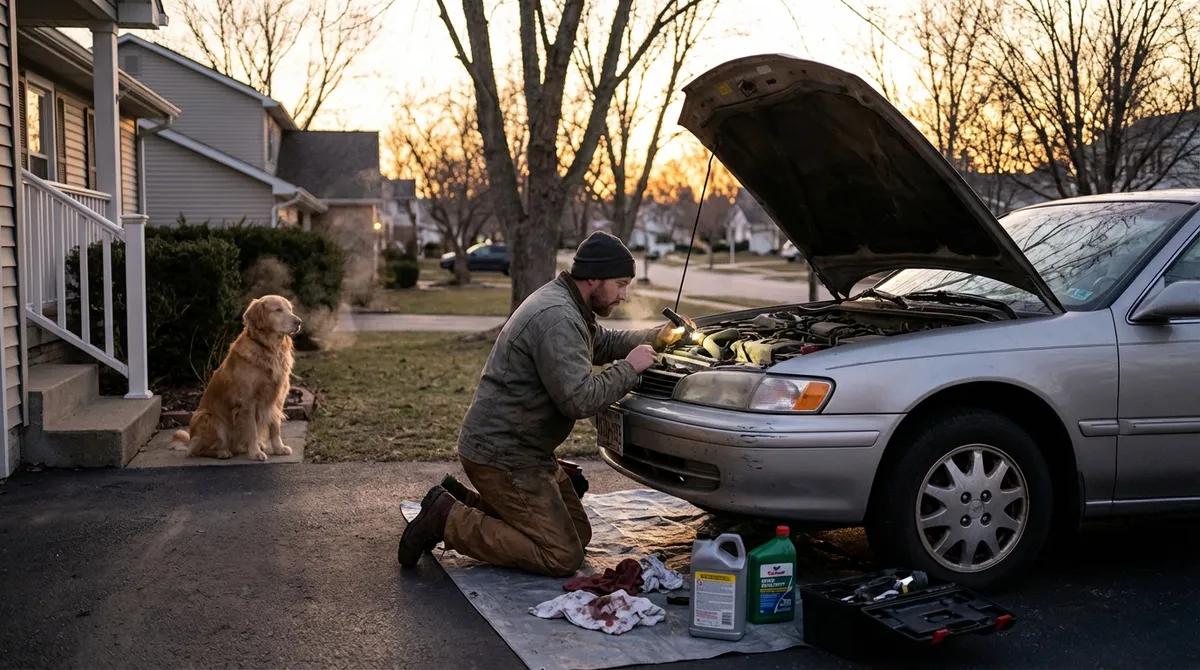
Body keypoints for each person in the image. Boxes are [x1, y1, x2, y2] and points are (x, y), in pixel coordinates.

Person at [398, 231, 692, 577]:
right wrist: (630, 369)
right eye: (621, 283)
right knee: (561, 555)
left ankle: (458, 500)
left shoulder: (569, 305)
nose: (624, 295)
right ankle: (446, 518)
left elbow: (602, 343)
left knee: (578, 535)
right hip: (504, 456)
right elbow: (579, 400)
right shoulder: (559, 317)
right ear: (594, 277)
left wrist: (656, 336)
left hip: (526, 452)